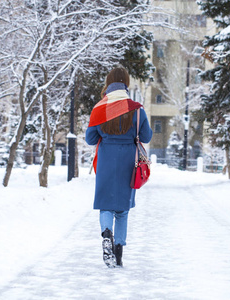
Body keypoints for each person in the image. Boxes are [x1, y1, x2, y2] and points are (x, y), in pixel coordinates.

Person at [85, 67, 152, 268]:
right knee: (122, 210)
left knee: (106, 205)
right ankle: (119, 251)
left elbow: (90, 138)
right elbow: (147, 136)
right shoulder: (136, 109)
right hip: (127, 163)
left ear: (108, 84)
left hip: (106, 160)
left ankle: (107, 233)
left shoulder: (99, 108)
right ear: (126, 83)